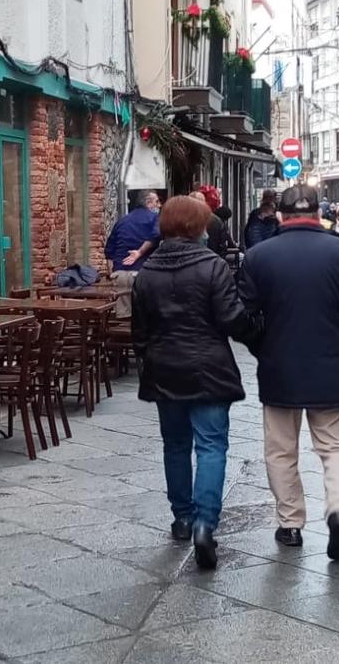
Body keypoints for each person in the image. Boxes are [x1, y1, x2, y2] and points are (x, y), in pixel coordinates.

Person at [239, 184, 339, 560]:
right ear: (318, 213)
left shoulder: (258, 256)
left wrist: (263, 346)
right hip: (330, 366)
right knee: (336, 448)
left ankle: (290, 524)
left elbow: (243, 315)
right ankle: (337, 509)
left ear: (281, 215)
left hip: (279, 367)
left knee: (281, 450)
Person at [132, 195, 256, 570]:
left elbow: (139, 332)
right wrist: (258, 328)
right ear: (196, 226)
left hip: (165, 367)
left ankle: (182, 517)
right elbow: (232, 319)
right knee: (212, 445)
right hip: (209, 367)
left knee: (174, 444)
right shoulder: (213, 266)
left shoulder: (148, 270)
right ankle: (205, 524)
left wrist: (147, 361)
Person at [105, 190, 161, 318]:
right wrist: (140, 252)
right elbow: (156, 235)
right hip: (143, 273)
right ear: (148, 202)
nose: (159, 205)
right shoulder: (154, 219)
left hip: (119, 275)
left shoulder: (122, 221)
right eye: (156, 202)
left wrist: (112, 273)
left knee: (124, 316)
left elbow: (109, 250)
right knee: (144, 317)